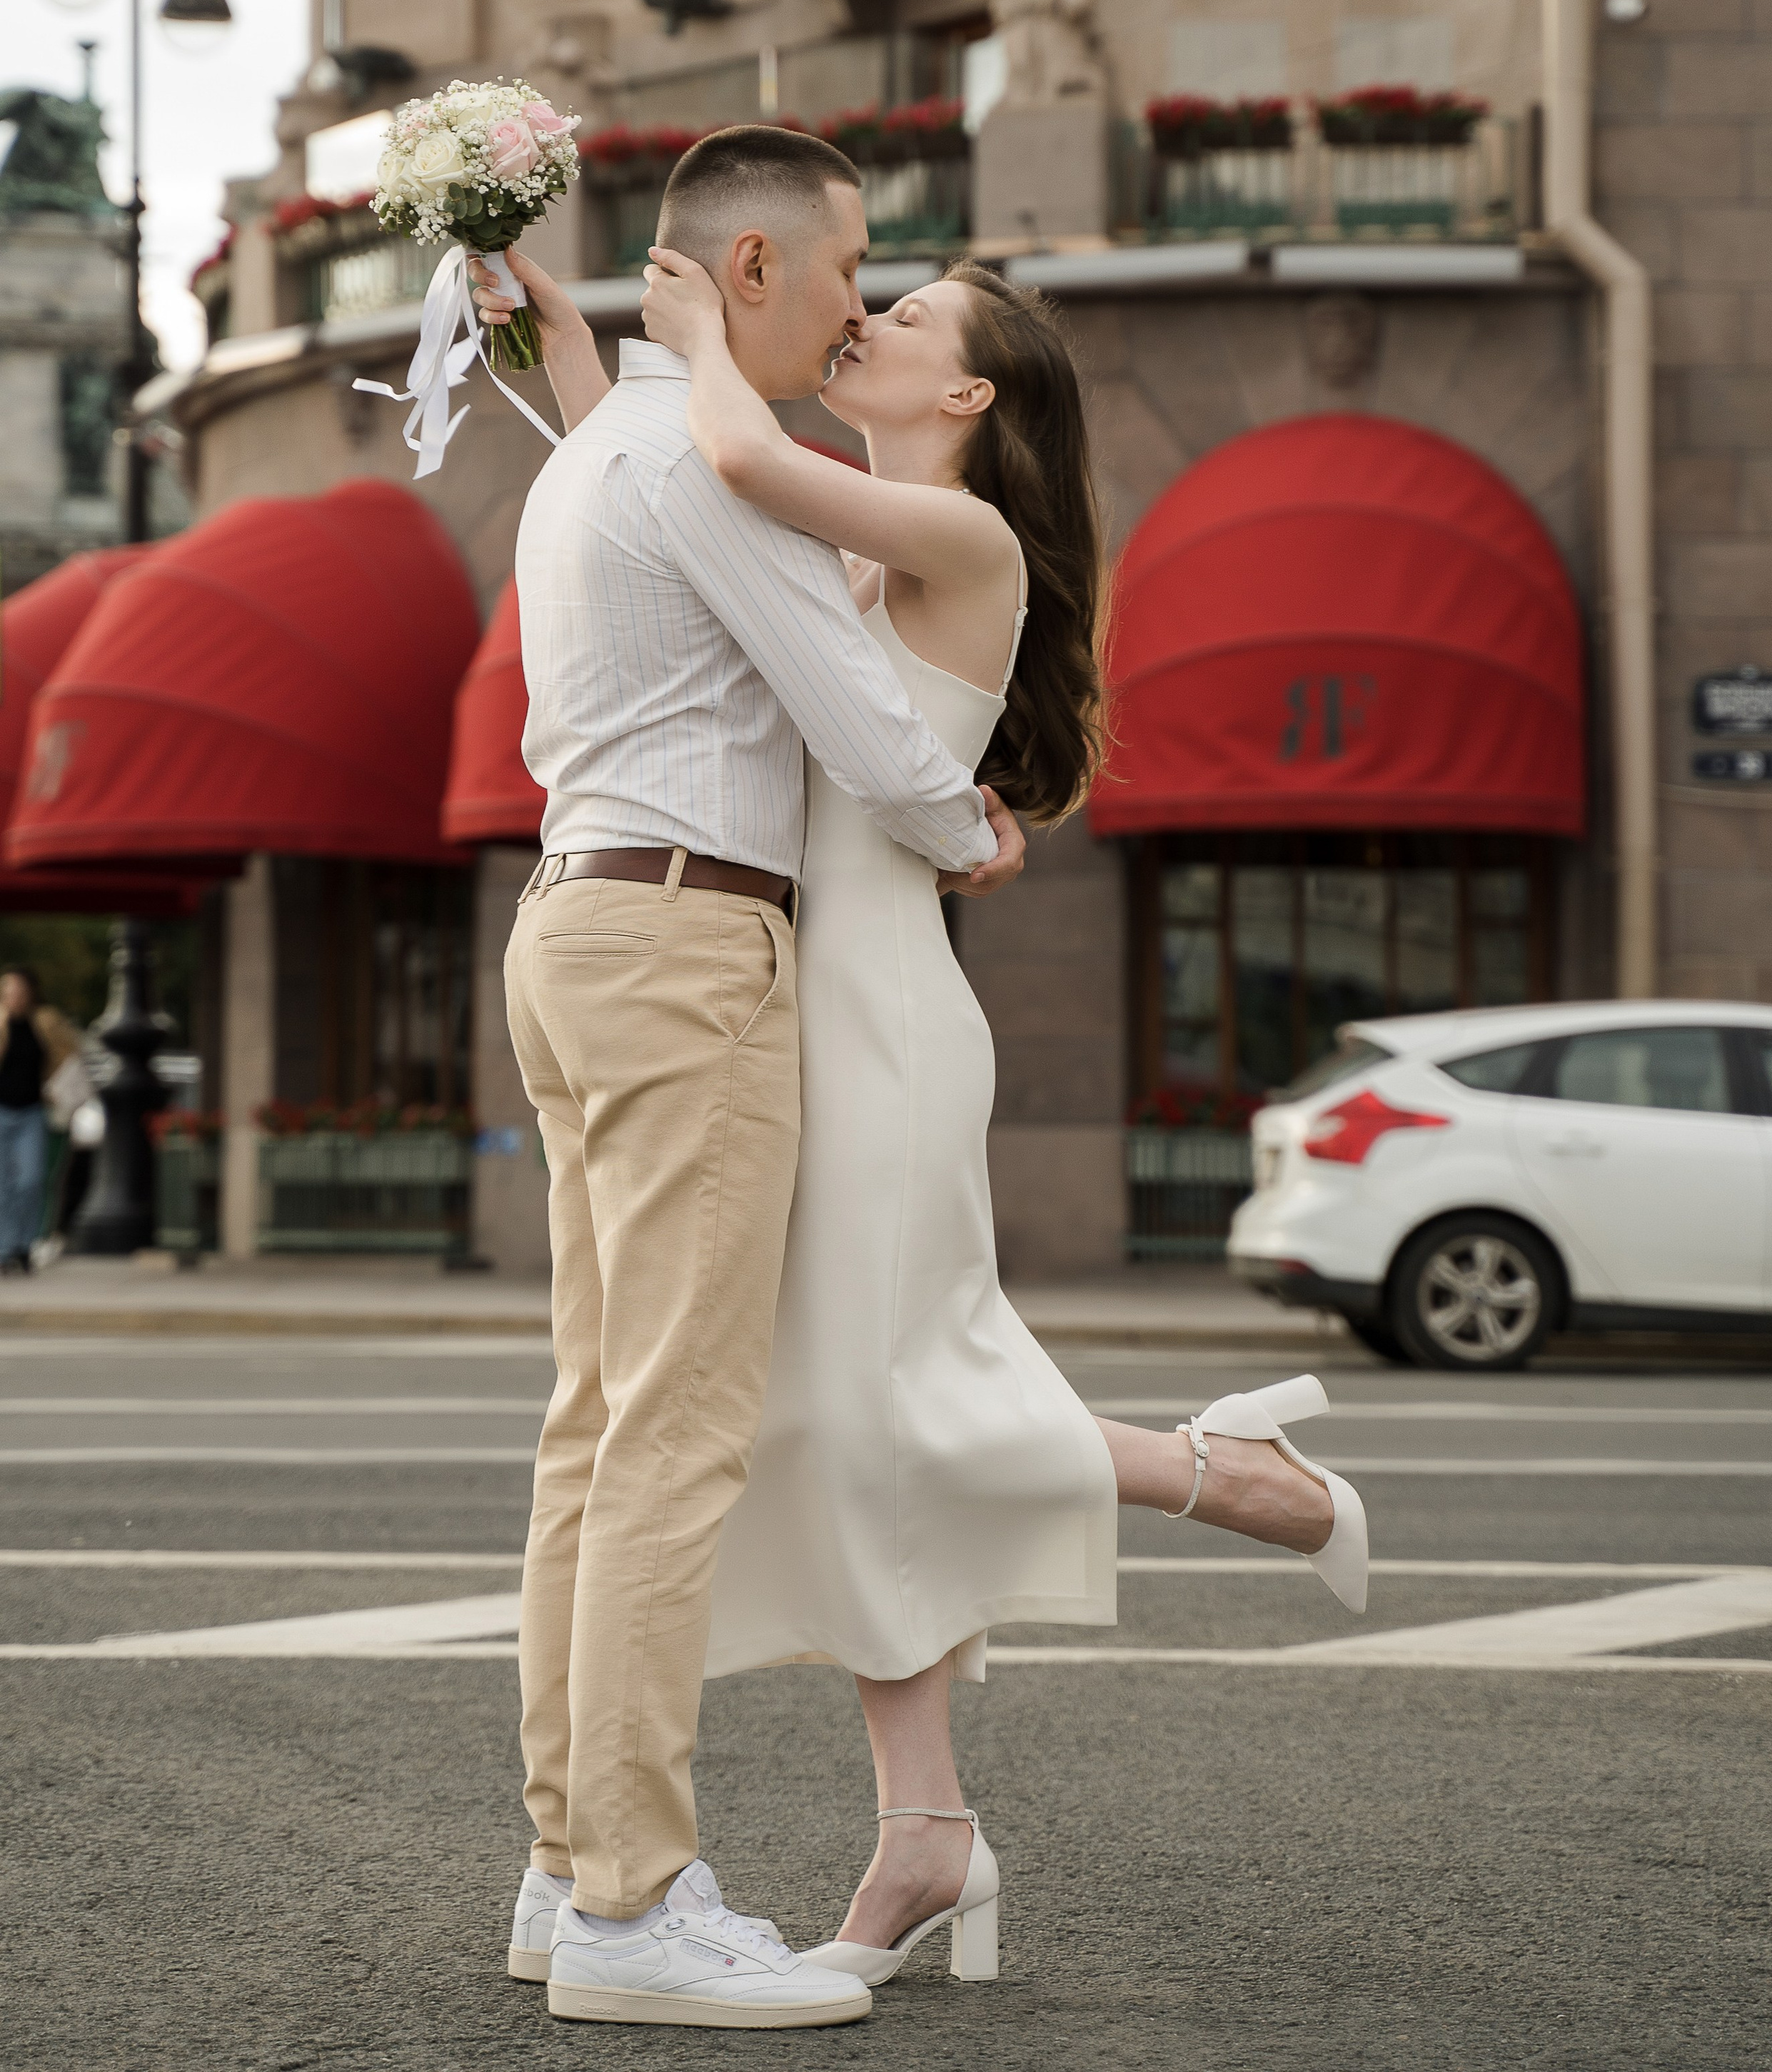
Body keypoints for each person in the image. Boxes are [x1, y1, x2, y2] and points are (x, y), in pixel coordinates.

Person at [634, 239, 1369, 1988]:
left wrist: (685, 335)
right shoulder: (846, 542)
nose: (859, 326)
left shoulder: (959, 539)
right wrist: (553, 326)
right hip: (804, 1008)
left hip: (880, 1019)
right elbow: (674, 474)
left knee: (897, 1400)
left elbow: (726, 452)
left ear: (965, 397)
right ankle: (923, 1827)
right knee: (834, 1421)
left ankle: (1217, 1471)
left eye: (897, 322)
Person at [489, 125, 1029, 2031]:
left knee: (594, 1428)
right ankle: (634, 1903)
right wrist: (966, 827)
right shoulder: (717, 468)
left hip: (575, 929)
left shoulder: (600, 459)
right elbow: (864, 729)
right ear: (747, 274)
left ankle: (576, 1870)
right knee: (669, 1439)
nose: (852, 300)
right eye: (844, 268)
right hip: (686, 948)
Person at [0, 968, 82, 1274]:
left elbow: (71, 1053)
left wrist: (57, 1086)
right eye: (9, 991)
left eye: (20, 991)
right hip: (1, 1111)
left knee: (31, 1181)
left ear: (30, 993)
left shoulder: (45, 1022)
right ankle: (5, 1249)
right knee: (3, 1185)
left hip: (33, 1111)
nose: (14, 997)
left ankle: (25, 1243)